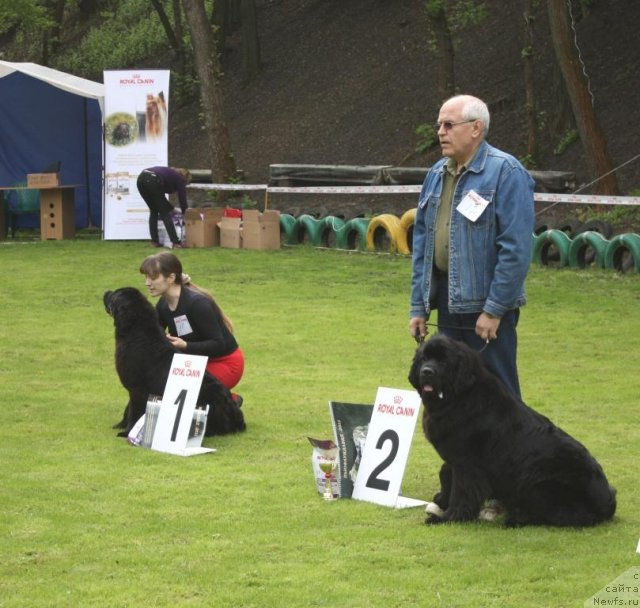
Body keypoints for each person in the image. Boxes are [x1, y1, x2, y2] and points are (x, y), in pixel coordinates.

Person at [409, 94, 535, 398]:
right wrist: (418, 306)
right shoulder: (436, 174)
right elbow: (423, 244)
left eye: (449, 125)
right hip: (448, 307)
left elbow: (515, 250)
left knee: (498, 397)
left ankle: (510, 449)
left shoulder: (506, 172)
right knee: (451, 396)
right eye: (439, 124)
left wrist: (494, 310)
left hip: (486, 307)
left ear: (476, 128)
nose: (440, 131)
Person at [140, 252, 244, 406]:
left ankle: (230, 400)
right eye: (146, 277)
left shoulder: (197, 304)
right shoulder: (162, 305)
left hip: (225, 362)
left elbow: (218, 344)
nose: (147, 283)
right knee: (165, 384)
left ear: (171, 278)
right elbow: (153, 336)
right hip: (195, 362)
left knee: (184, 391)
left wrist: (185, 345)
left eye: (153, 278)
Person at [136, 166, 192, 248]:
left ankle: (154, 241)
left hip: (141, 179)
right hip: (152, 179)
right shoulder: (179, 179)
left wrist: (171, 207)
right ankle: (176, 243)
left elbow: (161, 198)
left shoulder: (169, 174)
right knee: (165, 213)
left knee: (154, 210)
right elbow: (182, 199)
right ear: (185, 179)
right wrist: (185, 213)